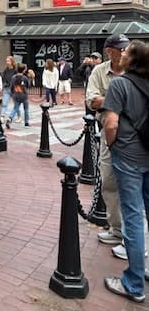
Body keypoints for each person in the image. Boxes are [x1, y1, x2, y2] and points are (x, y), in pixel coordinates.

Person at [103, 39, 149, 304]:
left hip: (129, 156)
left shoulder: (120, 84)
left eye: (126, 52)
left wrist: (113, 145)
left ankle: (133, 283)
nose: (122, 54)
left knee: (132, 216)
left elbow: (111, 122)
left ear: (132, 60)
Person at [86, 33, 130, 258]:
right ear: (109, 51)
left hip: (134, 138)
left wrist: (108, 98)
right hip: (108, 136)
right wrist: (121, 98)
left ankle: (134, 242)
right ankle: (117, 230)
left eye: (126, 48)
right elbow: (92, 102)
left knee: (132, 189)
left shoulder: (137, 70)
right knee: (109, 182)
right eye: (120, 49)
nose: (124, 52)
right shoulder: (99, 72)